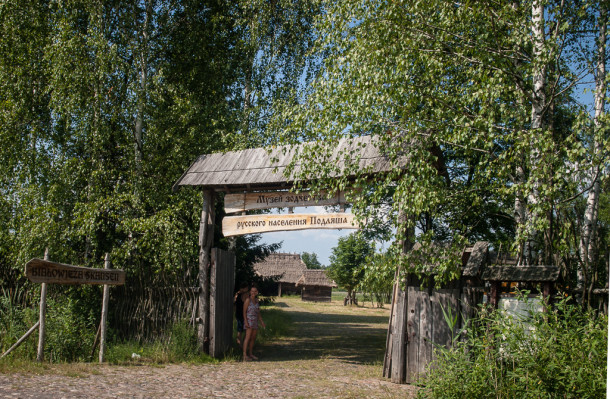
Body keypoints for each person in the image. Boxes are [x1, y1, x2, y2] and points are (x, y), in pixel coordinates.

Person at [242, 285, 265, 361]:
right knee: (247, 337)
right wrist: (246, 321)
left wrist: (261, 321)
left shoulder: (256, 300)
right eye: (252, 291)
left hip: (255, 321)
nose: (253, 293)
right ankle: (244, 355)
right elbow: (244, 312)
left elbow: (258, 312)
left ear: (257, 292)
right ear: (250, 292)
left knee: (253, 338)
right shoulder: (248, 300)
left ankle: (250, 354)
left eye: (255, 291)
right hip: (249, 320)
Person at [234, 282, 249, 347]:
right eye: (246, 288)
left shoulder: (237, 294)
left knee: (239, 330)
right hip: (244, 314)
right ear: (244, 288)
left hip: (238, 313)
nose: (247, 289)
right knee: (245, 330)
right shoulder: (245, 295)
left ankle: (240, 344)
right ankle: (242, 345)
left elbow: (234, 304)